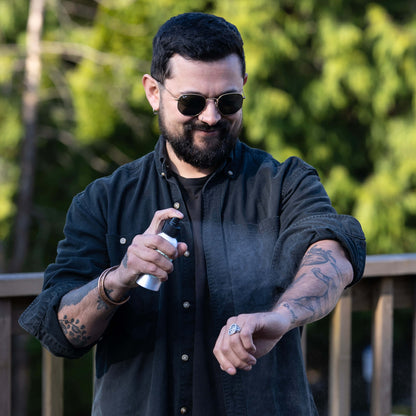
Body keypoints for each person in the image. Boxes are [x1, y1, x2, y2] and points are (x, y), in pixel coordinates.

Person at [19, 12, 366, 416]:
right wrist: (118, 279)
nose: (211, 116)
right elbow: (61, 332)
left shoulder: (285, 182)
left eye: (228, 101)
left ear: (244, 87)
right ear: (153, 92)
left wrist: (281, 317)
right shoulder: (103, 200)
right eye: (191, 102)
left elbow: (333, 254)